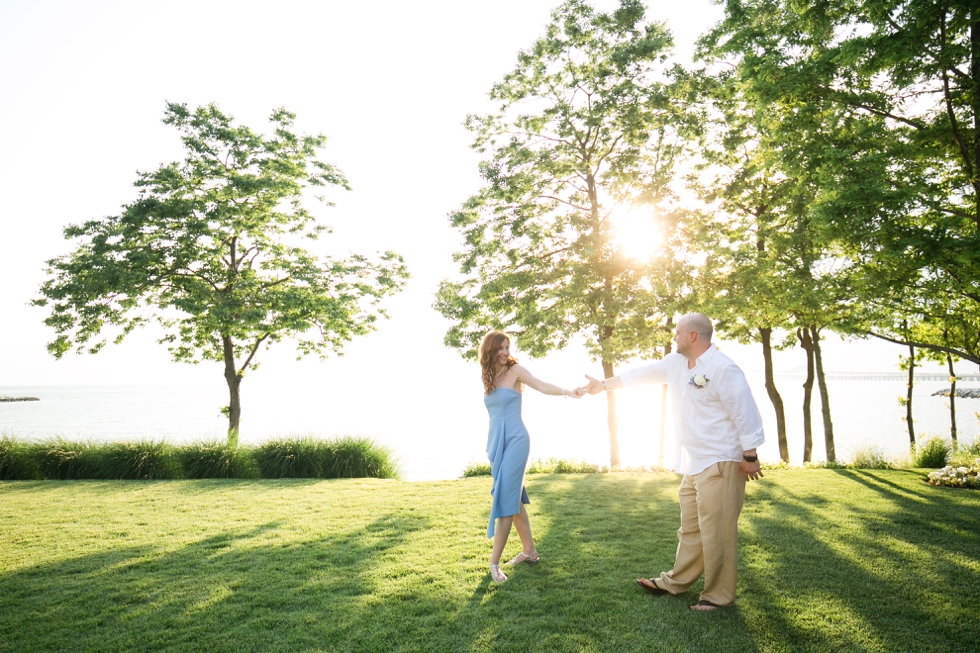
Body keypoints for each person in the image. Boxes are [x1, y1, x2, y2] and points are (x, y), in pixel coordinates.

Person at [578, 313, 764, 611]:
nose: (673, 337)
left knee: (718, 534)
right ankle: (675, 582)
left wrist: (750, 457)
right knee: (690, 530)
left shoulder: (724, 369)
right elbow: (640, 375)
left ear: (692, 336)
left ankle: (717, 596)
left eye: (677, 333)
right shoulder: (676, 363)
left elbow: (746, 414)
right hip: (693, 462)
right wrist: (603, 384)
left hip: (721, 463)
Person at [480, 330, 579, 583]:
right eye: (500, 348)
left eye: (507, 348)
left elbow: (543, 386)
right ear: (490, 350)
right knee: (514, 500)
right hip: (497, 442)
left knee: (504, 500)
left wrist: (568, 391)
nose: (505, 353)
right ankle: (530, 551)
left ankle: (493, 564)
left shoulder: (516, 371)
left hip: (516, 440)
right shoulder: (490, 375)